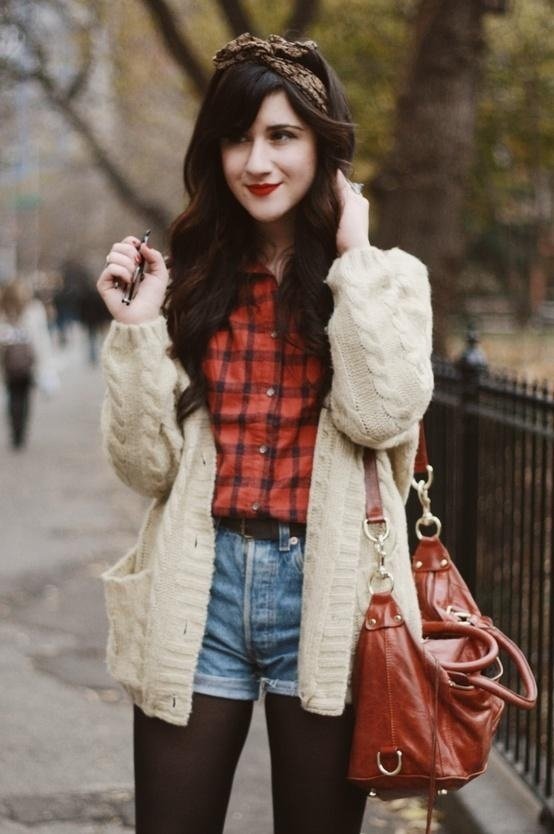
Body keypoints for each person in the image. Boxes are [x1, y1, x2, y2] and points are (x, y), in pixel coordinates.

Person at [96, 33, 433, 834]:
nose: (257, 161)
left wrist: (352, 259)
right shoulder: (189, 279)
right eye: (239, 137)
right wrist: (140, 330)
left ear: (324, 145)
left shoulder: (386, 278)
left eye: (283, 136)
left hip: (330, 592)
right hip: (200, 584)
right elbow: (147, 468)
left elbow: (382, 415)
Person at [0, 278, 58, 449]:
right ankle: (21, 430)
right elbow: (40, 339)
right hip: (27, 363)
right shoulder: (34, 309)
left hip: (9, 364)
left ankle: (15, 429)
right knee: (24, 397)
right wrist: (45, 365)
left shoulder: (4, 310)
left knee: (13, 396)